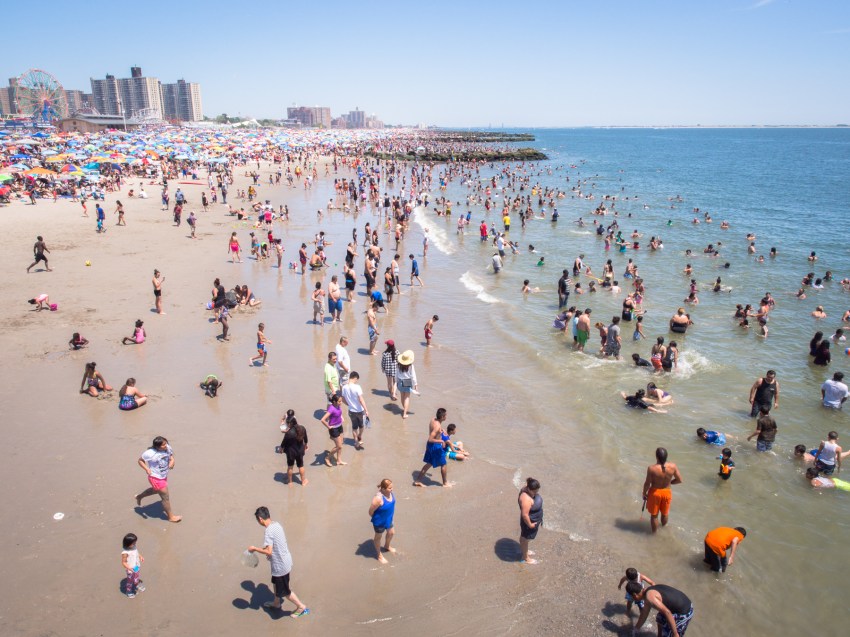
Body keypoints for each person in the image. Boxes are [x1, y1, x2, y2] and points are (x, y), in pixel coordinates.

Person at [246, 507, 309, 617]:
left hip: (281, 566)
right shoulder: (276, 525)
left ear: (260, 519)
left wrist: (254, 549)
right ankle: (276, 603)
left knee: (286, 592)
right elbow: (276, 545)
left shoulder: (268, 531)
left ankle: (302, 607)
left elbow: (269, 551)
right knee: (275, 584)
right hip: (284, 560)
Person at [134, 436, 181, 523]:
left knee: (156, 491)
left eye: (166, 443)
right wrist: (147, 469)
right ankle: (171, 517)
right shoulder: (149, 453)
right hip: (155, 477)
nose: (166, 446)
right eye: (163, 445)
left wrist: (172, 462)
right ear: (157, 446)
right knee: (165, 498)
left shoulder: (167, 448)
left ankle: (139, 496)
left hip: (163, 476)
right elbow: (140, 460)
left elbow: (171, 457)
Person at [627, 582, 694, 637]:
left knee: (670, 634)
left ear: (635, 595)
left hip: (685, 611)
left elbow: (667, 612)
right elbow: (644, 614)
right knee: (660, 618)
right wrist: (636, 629)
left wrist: (675, 634)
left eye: (631, 597)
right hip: (682, 604)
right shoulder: (648, 591)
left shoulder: (649, 597)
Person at [642, 447, 683, 533]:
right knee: (665, 513)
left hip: (655, 493)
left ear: (656, 457)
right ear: (666, 457)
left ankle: (654, 534)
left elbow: (647, 483)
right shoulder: (673, 466)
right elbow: (679, 480)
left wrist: (644, 493)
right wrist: (670, 483)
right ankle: (664, 528)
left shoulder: (651, 468)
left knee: (654, 516)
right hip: (667, 492)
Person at [414, 408, 450, 487]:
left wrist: (442, 430)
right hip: (435, 446)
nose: (446, 416)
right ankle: (445, 483)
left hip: (430, 446)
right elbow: (430, 439)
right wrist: (441, 441)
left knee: (429, 463)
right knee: (443, 464)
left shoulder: (433, 419)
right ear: (442, 417)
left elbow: (435, 428)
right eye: (445, 415)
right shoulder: (437, 426)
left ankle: (417, 480)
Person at [369, 479, 397, 564]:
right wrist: (377, 520)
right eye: (390, 488)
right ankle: (379, 555)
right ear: (383, 489)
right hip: (379, 521)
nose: (392, 489)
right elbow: (370, 511)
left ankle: (387, 546)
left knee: (391, 533)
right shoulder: (378, 499)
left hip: (388, 518)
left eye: (392, 487)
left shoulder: (390, 493)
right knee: (378, 537)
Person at [518, 477, 543, 564]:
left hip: (530, 521)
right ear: (528, 489)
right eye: (534, 491)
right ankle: (526, 558)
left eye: (537, 491)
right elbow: (524, 515)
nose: (535, 493)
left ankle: (525, 550)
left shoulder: (526, 488)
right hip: (528, 523)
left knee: (524, 538)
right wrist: (530, 525)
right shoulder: (526, 499)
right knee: (525, 539)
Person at [341, 371, 369, 450]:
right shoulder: (357, 387)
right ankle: (360, 436)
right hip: (359, 410)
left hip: (351, 411)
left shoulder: (344, 387)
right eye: (357, 379)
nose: (357, 381)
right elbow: (361, 400)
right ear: (355, 378)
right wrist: (366, 410)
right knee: (361, 426)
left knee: (354, 427)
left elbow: (343, 399)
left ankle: (356, 442)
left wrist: (349, 404)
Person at [281, 417, 309, 485]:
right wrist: (305, 446)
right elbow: (306, 440)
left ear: (290, 423)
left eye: (287, 424)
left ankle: (290, 482)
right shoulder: (302, 428)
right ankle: (303, 481)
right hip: (300, 451)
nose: (287, 425)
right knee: (301, 466)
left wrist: (281, 449)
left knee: (290, 467)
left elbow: (283, 443)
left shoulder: (288, 433)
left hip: (291, 452)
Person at [321, 393, 346, 467]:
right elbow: (322, 420)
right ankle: (327, 458)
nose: (341, 403)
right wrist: (328, 427)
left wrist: (341, 417)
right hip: (334, 428)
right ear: (334, 402)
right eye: (339, 401)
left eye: (341, 401)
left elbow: (339, 412)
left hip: (340, 427)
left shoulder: (338, 406)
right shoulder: (331, 408)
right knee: (339, 446)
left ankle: (339, 460)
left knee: (341, 444)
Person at [121, 533, 145, 598]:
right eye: (133, 543)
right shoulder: (125, 553)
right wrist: (129, 568)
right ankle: (128, 591)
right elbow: (123, 562)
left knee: (136, 577)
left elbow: (136, 552)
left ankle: (136, 585)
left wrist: (140, 556)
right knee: (130, 580)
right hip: (130, 569)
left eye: (135, 543)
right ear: (128, 544)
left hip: (136, 566)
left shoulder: (133, 547)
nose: (135, 544)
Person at [395, 350, 418, 419]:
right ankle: (404, 413)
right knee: (407, 398)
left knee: (402, 396)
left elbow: (396, 375)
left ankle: (404, 409)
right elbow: (413, 376)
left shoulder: (398, 365)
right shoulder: (411, 366)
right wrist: (415, 384)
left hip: (400, 382)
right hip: (407, 381)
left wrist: (396, 382)